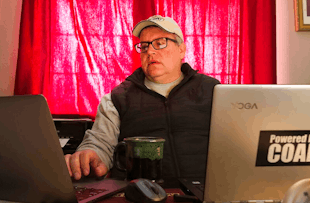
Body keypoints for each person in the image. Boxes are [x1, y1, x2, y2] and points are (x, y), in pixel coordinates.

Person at [64, 15, 220, 180]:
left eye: (160, 43)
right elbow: (99, 142)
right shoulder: (118, 98)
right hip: (138, 197)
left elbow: (235, 142)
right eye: (144, 47)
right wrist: (90, 155)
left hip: (205, 195)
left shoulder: (212, 90)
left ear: (181, 49)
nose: (150, 52)